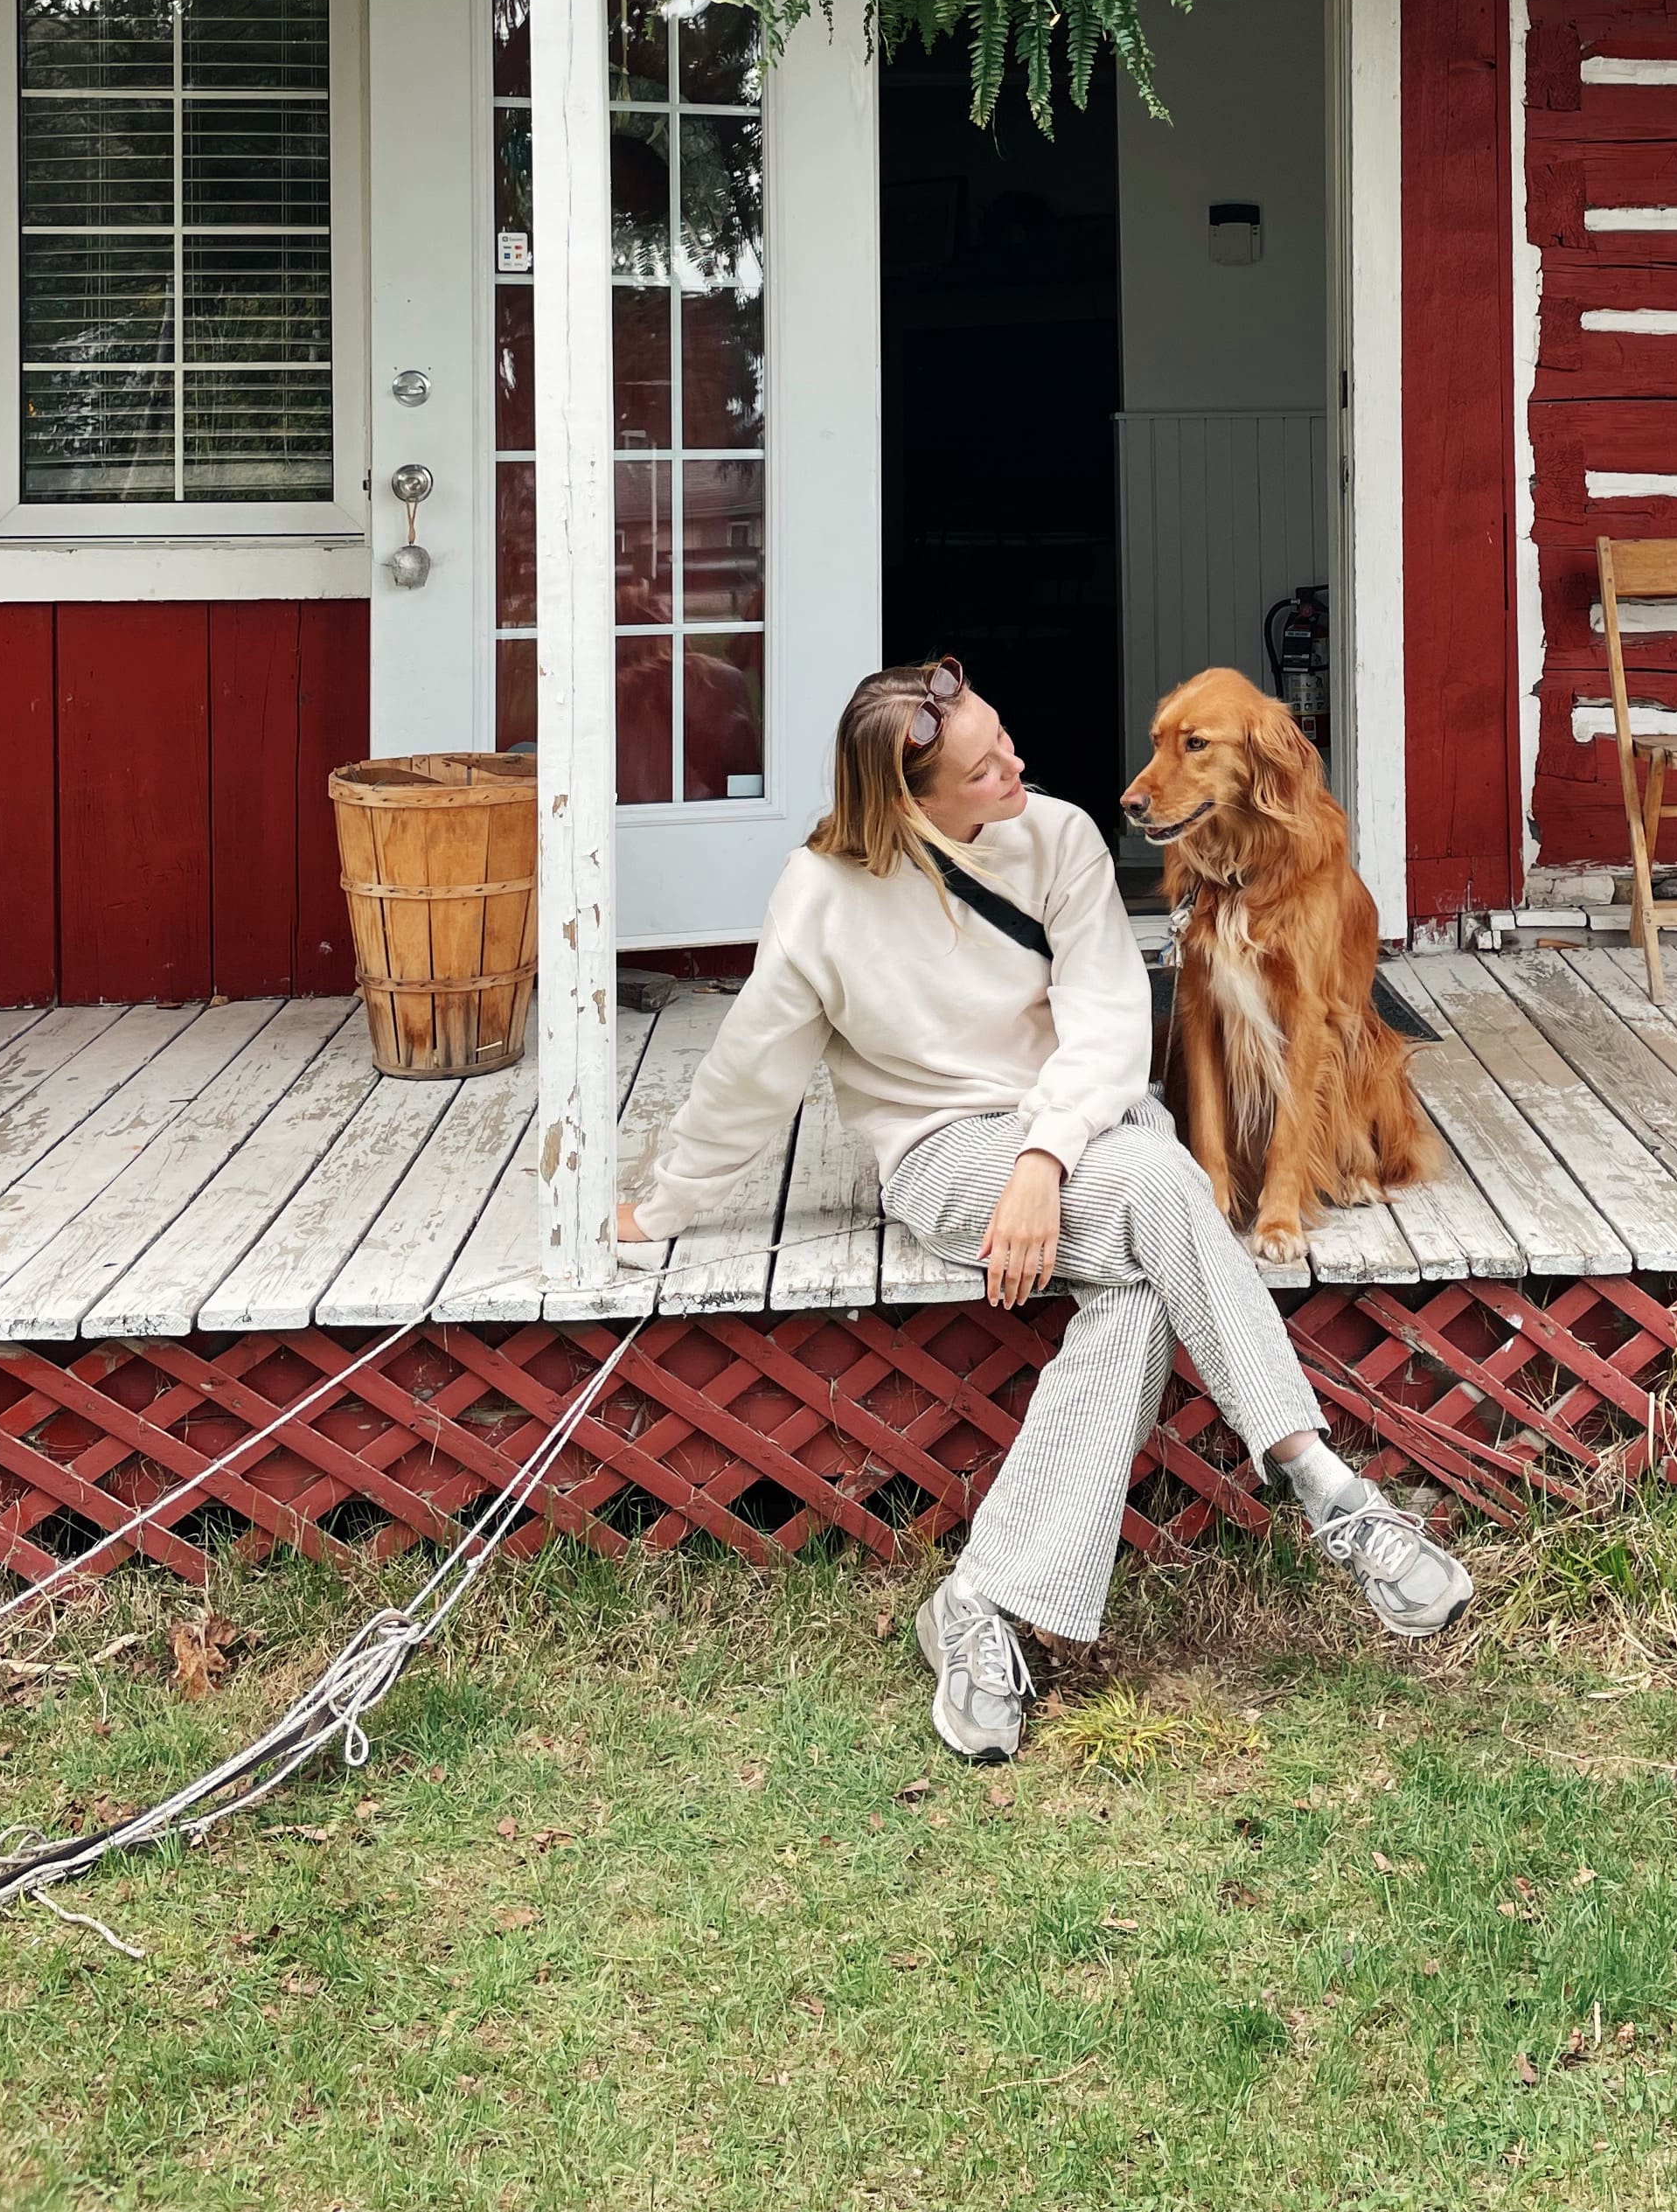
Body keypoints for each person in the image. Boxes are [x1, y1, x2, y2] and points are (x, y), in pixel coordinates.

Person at [619, 657, 1473, 1763]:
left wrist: (1046, 1155)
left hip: (1086, 1129)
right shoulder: (822, 897)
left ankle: (979, 1607)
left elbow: (1115, 1020)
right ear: (913, 802)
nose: (1019, 765)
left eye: (1006, 739)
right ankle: (1326, 1481)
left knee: (1130, 1292)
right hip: (946, 1153)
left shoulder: (1061, 836)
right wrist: (671, 1202)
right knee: (1167, 1188)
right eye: (985, 768)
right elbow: (751, 1069)